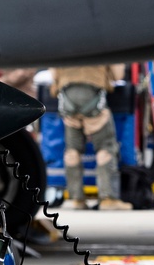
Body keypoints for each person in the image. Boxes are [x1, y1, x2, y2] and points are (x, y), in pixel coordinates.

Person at [50, 64, 132, 210]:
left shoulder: (62, 41)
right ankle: (108, 198)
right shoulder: (103, 41)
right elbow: (118, 74)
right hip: (92, 93)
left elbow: (53, 73)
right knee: (105, 147)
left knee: (72, 150)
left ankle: (77, 199)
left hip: (67, 95)